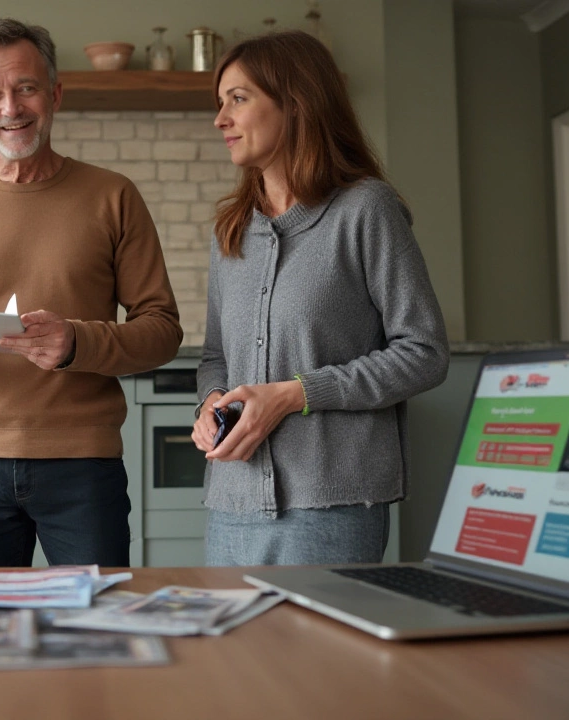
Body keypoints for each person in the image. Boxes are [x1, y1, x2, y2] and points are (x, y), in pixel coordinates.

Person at [0, 18, 183, 569]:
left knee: (94, 629)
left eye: (25, 87)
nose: (11, 108)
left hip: (82, 463)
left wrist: (77, 344)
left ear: (55, 94)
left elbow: (162, 329)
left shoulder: (113, 197)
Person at [191, 31, 449, 566]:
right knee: (234, 652)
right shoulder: (231, 231)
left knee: (320, 654)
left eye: (238, 99)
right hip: (231, 503)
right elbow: (216, 356)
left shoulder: (365, 210)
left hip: (332, 507)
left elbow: (423, 353)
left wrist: (292, 394)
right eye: (220, 103)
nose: (220, 119)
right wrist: (209, 402)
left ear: (296, 103)